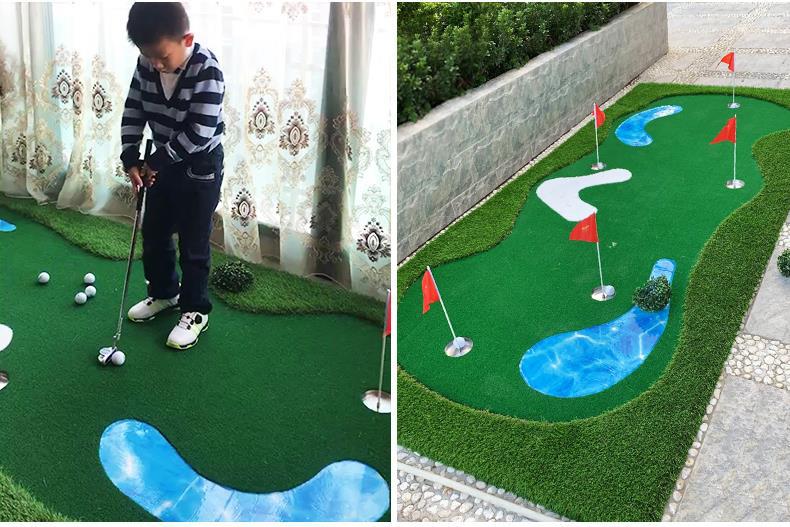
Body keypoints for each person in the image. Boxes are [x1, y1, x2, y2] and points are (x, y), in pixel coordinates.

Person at [120, 2, 225, 350]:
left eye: (162, 56)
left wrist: (156, 161)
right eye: (148, 56)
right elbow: (134, 109)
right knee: (155, 232)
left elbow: (199, 132)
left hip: (200, 166)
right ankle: (165, 292)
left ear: (187, 39)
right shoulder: (146, 64)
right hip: (160, 162)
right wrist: (131, 157)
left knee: (194, 243)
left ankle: (195, 310)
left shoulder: (207, 70)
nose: (156, 64)